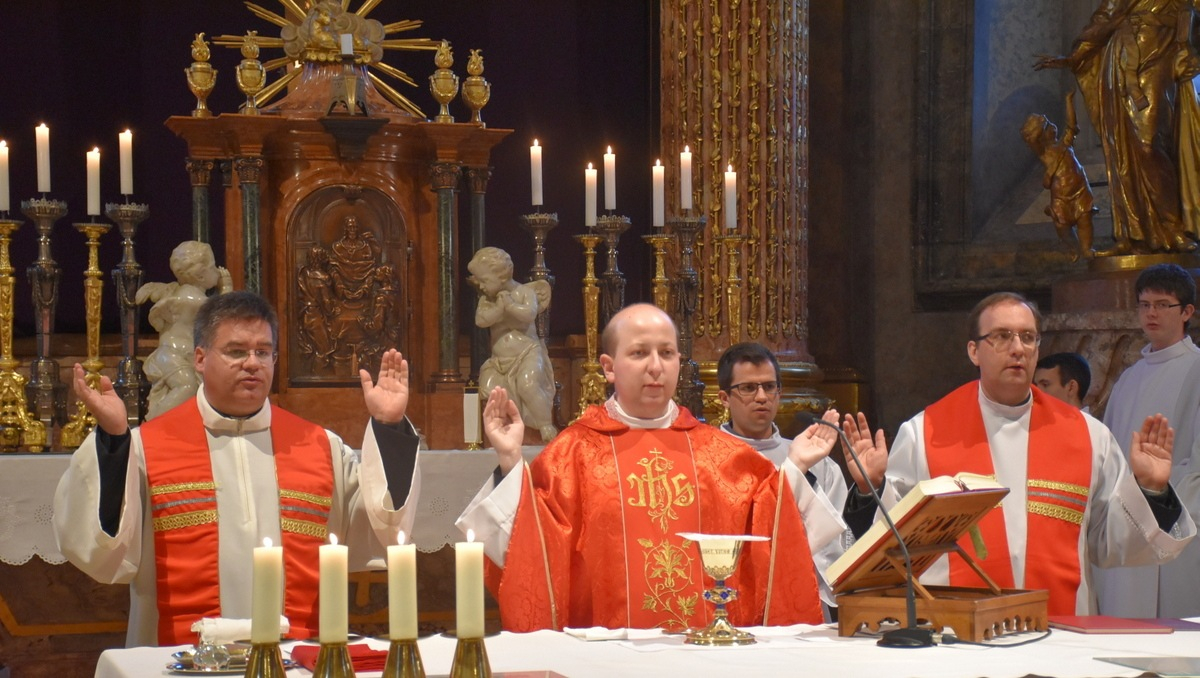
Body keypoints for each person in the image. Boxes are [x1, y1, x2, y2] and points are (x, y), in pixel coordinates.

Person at [54, 291, 421, 647]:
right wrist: (114, 440)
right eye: (236, 351)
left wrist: (389, 428)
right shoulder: (146, 448)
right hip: (180, 663)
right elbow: (103, 548)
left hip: (292, 660)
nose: (252, 363)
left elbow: (379, 523)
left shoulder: (319, 447)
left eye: (263, 352)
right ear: (200, 358)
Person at [457, 304, 846, 631]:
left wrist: (795, 468)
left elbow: (772, 532)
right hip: (607, 657)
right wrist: (511, 459)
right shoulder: (573, 454)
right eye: (639, 353)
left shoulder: (720, 454)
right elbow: (530, 549)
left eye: (667, 353)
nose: (656, 367)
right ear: (609, 367)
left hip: (703, 655)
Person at [842, 292, 1195, 615]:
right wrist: (868, 491)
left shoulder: (1088, 436)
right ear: (973, 351)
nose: (1017, 349)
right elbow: (892, 546)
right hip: (958, 634)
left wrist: (1151, 490)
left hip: (1061, 635)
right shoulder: (925, 433)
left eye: (1028, 337)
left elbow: (1111, 541)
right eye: (1001, 336)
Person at [716, 342, 869, 617]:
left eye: (769, 387)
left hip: (802, 602)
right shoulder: (708, 460)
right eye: (748, 388)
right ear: (724, 398)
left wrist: (868, 487)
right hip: (733, 601)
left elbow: (840, 548)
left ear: (780, 393)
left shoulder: (817, 461)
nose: (761, 397)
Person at [1034, 1, 1200, 254]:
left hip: (1163, 51)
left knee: (1149, 144)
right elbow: (1105, 15)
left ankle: (1173, 226)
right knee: (1122, 148)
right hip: (1122, 55)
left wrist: (1188, 43)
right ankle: (1132, 234)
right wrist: (1075, 57)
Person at [1095, 264, 1200, 617]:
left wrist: (1154, 504)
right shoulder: (1128, 378)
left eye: (1162, 304)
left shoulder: (1197, 370)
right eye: (1144, 305)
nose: (1151, 313)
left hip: (1175, 528)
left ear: (1187, 312)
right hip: (1125, 527)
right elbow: (1109, 456)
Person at [468, 247, 558, 442]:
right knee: (488, 389)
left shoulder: (525, 292)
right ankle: (502, 430)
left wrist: (509, 305)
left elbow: (529, 315)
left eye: (484, 281)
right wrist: (499, 308)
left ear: (501, 276)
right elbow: (481, 320)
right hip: (499, 360)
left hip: (527, 353)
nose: (481, 286)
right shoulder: (487, 300)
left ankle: (545, 424)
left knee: (527, 384)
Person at [136, 241, 233, 420]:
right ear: (201, 275)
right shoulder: (195, 301)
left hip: (181, 356)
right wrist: (226, 288)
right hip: (172, 356)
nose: (218, 272)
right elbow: (226, 319)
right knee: (187, 387)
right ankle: (153, 423)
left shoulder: (176, 291)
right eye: (213, 267)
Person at [1020, 91, 1097, 260]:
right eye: (1047, 127)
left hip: (1080, 192)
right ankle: (1072, 248)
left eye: (1050, 123)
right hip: (1061, 198)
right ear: (1040, 137)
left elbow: (1072, 125)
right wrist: (1037, 124)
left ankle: (1087, 248)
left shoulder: (1065, 144)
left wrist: (1069, 101)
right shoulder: (1044, 153)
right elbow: (1031, 141)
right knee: (1062, 227)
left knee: (1085, 221)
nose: (1052, 127)